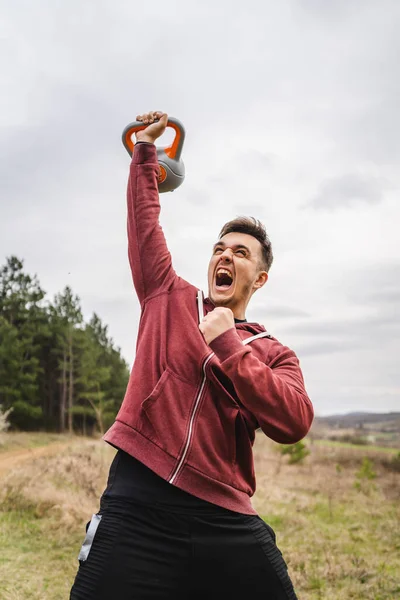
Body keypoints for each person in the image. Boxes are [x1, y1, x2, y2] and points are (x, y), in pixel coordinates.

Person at [70, 111, 314, 600]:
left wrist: (228, 345)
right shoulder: (167, 296)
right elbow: (145, 226)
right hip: (139, 499)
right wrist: (144, 152)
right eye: (219, 249)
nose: (225, 257)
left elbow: (294, 421)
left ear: (260, 278)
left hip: (223, 514)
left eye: (241, 254)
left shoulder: (273, 353)